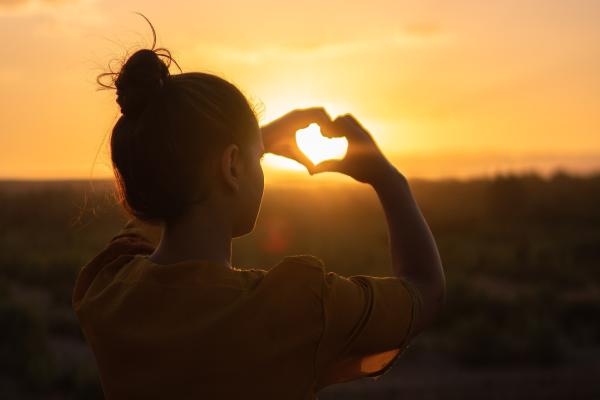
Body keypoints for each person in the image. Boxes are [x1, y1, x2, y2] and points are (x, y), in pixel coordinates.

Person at [72, 35, 446, 400]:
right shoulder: (297, 308)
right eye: (256, 157)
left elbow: (156, 204)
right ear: (232, 165)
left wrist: (246, 142)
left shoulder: (106, 290)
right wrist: (389, 179)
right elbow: (424, 290)